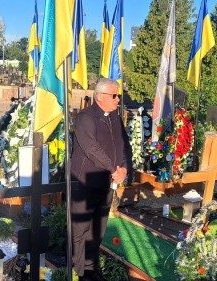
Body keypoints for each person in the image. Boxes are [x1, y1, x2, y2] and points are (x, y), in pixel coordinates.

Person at [70, 78, 131, 280]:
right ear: (100, 96)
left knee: (99, 226)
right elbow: (91, 148)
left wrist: (123, 168)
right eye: (114, 96)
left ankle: (91, 268)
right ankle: (76, 271)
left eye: (118, 95)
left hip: (107, 182)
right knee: (80, 228)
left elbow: (124, 145)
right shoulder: (85, 117)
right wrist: (114, 168)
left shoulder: (115, 117)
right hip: (85, 181)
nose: (118, 100)